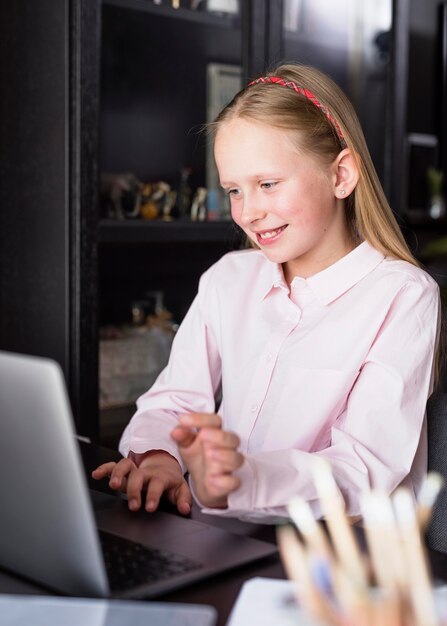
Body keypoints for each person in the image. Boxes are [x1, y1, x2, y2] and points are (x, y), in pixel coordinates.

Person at [93, 63, 440, 523]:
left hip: (335, 557)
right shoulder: (229, 279)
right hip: (219, 537)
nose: (249, 212)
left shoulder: (403, 296)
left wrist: (241, 479)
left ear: (341, 176)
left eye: (268, 184)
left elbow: (363, 469)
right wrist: (161, 458)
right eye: (234, 190)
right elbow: (173, 401)